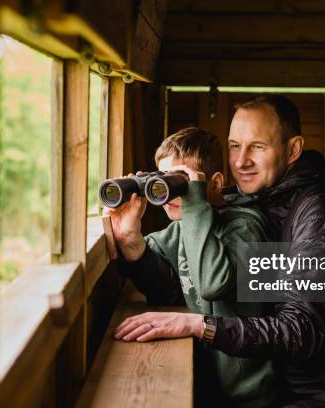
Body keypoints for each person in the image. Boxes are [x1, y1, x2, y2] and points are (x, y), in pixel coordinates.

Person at [117, 95, 325, 408]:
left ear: (292, 150)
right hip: (293, 386)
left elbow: (302, 330)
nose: (240, 161)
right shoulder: (263, 198)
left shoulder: (320, 214)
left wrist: (200, 326)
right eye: (235, 145)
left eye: (257, 147)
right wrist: (131, 241)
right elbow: (190, 286)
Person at [108, 127, 278, 407]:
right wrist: (130, 240)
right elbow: (167, 289)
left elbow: (212, 284)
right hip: (207, 383)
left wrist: (195, 206)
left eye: (180, 181)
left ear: (214, 183)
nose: (169, 192)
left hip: (246, 396)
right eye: (162, 181)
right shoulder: (183, 228)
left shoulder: (245, 227)